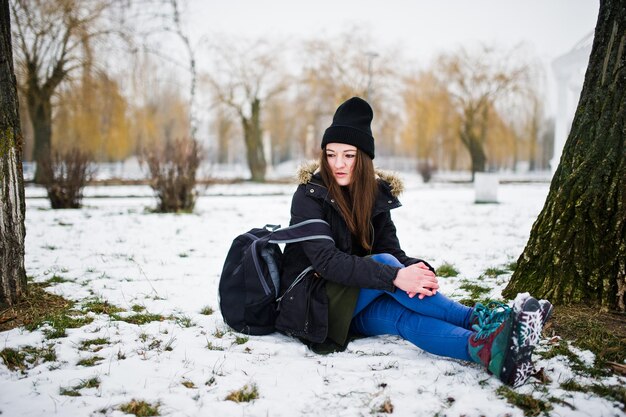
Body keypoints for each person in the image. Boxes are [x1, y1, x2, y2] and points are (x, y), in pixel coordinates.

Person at [276, 96, 553, 387]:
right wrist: (397, 275)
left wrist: (418, 270)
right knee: (386, 266)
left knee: (402, 318)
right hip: (314, 306)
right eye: (331, 154)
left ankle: (489, 351)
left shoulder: (374, 194)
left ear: (364, 158)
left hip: (354, 299)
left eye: (348, 155)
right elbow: (328, 262)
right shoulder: (309, 196)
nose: (338, 164)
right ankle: (484, 321)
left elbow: (391, 251)